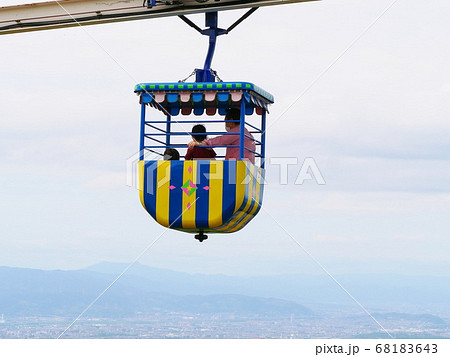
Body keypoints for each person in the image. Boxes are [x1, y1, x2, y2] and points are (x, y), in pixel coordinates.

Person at [187, 108, 255, 163]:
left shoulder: (235, 133)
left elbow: (218, 141)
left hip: (236, 165)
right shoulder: (246, 132)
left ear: (231, 121)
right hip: (248, 164)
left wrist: (198, 143)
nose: (225, 123)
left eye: (225, 121)